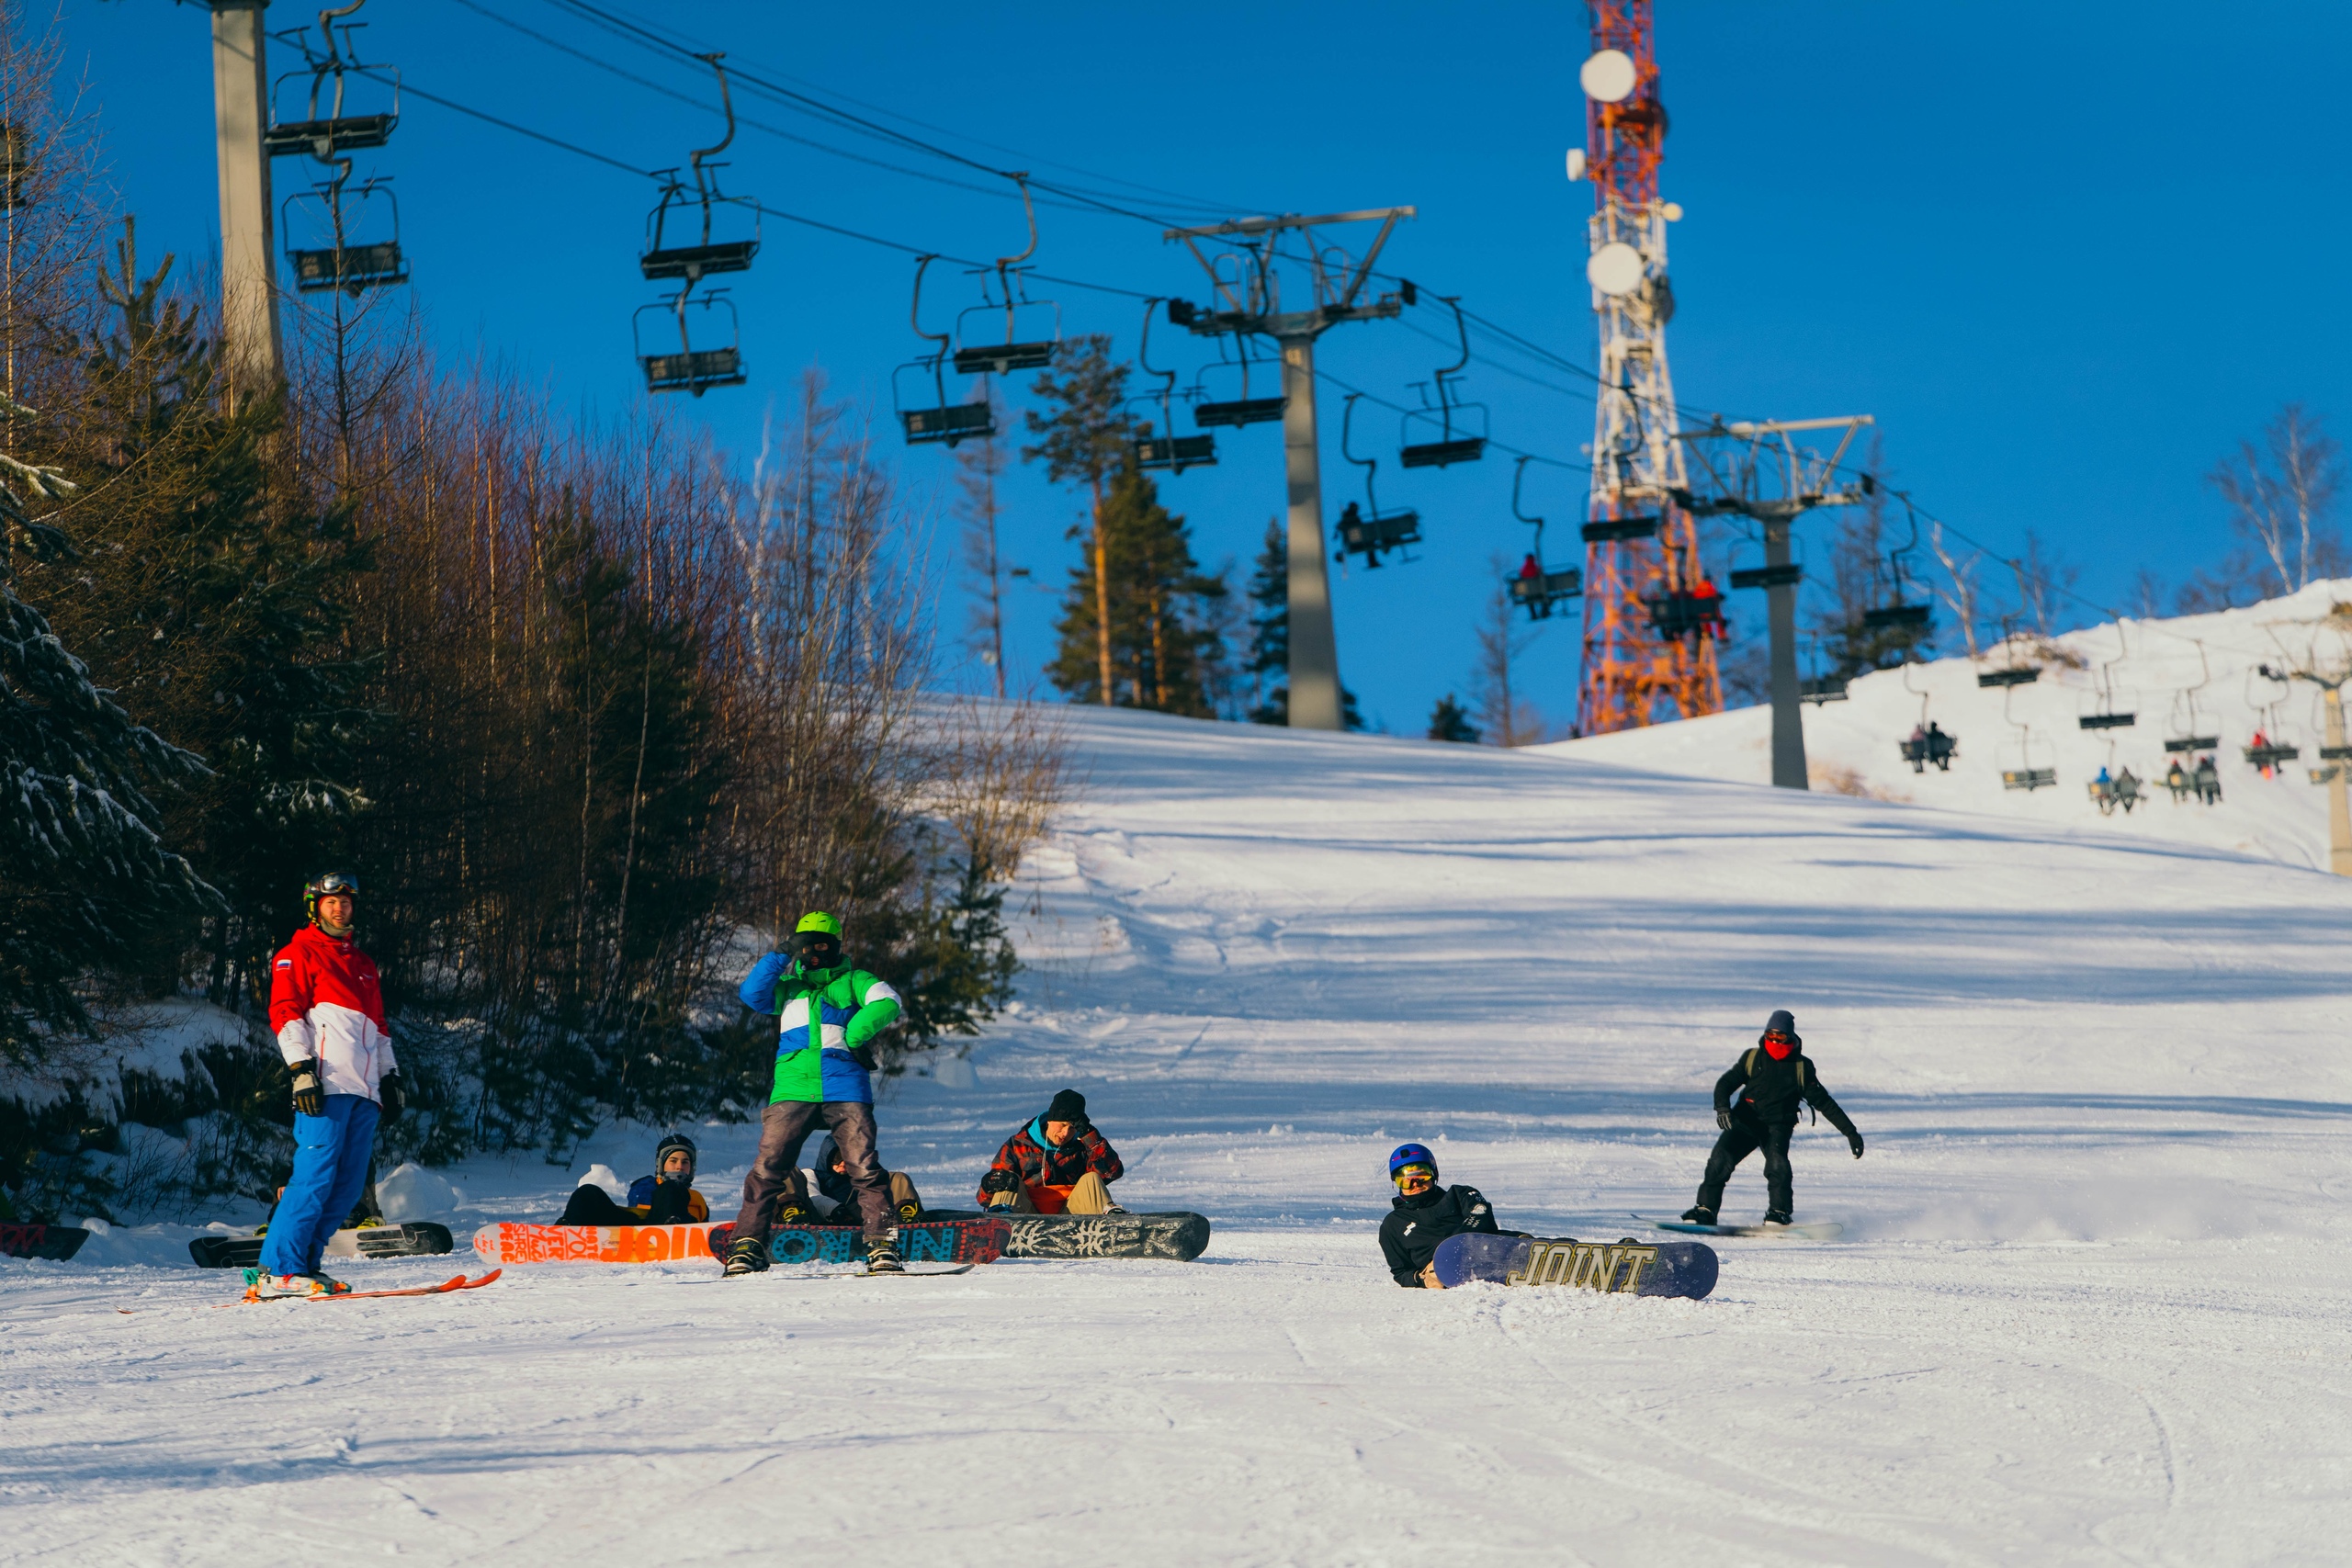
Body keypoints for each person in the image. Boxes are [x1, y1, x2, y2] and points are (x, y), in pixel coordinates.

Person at [248, 873, 405, 1300]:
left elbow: (380, 1029)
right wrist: (301, 1068)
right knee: (314, 1177)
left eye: (346, 901)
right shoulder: (296, 954)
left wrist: (389, 1078)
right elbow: (285, 1012)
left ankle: (304, 1265)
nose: (339, 907)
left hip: (365, 1092)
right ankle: (276, 1270)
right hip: (326, 1085)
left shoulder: (364, 966)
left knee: (348, 1186)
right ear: (314, 907)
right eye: (330, 901)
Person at [723, 911, 906, 1276]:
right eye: (806, 945)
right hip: (793, 1089)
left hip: (845, 1087)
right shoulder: (789, 988)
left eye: (823, 945)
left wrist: (855, 1036)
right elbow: (751, 993)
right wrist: (781, 953)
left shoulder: (855, 980)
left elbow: (889, 1001)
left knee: (865, 1168)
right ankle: (747, 1246)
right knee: (768, 1169)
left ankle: (882, 1247)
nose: (814, 952)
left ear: (837, 946)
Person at [1682, 1010, 1861, 1228]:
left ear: (1791, 1037)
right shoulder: (1752, 1057)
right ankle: (1705, 1210)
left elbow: (1825, 1103)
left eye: (1780, 1037)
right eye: (1771, 1036)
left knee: (1777, 1165)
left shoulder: (1801, 1067)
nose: (1775, 1041)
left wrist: (1850, 1132)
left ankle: (1779, 1213)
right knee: (1720, 1159)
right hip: (1745, 1121)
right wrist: (1722, 1108)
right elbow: (1725, 1083)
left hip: (1777, 1126)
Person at [975, 1089, 1125, 1214]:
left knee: (1091, 1179)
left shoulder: (1084, 1147)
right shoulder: (1017, 1146)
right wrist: (990, 1185)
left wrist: (1089, 1135)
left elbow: (1111, 1172)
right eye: (1063, 1125)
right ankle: (999, 1226)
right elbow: (985, 1199)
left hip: (1072, 1218)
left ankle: (1111, 1227)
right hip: (1025, 1218)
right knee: (1007, 1180)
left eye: (1072, 1128)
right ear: (1050, 1120)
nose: (1065, 1133)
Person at [1378, 1143, 1503, 1290]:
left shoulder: (1459, 1195)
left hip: (1485, 1250)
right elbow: (1401, 1272)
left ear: (1434, 1174)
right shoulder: (1392, 1224)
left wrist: (1459, 1244)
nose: (1415, 1184)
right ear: (1396, 1184)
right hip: (1441, 1272)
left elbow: (1481, 1214)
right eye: (1405, 1180)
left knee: (1517, 1237)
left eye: (1422, 1176)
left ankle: (1529, 1258)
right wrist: (1422, 1279)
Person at [558, 1133, 710, 1225]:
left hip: (669, 1230)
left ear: (692, 1168)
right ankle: (567, 1229)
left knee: (671, 1188)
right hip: (636, 1230)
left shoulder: (697, 1199)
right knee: (588, 1192)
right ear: (661, 1165)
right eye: (673, 1161)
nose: (679, 1167)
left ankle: (673, 1225)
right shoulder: (646, 1186)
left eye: (685, 1162)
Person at [813, 1134, 924, 1226]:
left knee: (897, 1178)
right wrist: (836, 1210)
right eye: (836, 1158)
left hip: (868, 1219)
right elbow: (813, 1196)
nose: (842, 1163)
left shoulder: (865, 1177)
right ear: (826, 1157)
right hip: (828, 1223)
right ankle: (798, 1219)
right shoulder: (813, 1175)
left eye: (848, 1158)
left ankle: (907, 1218)